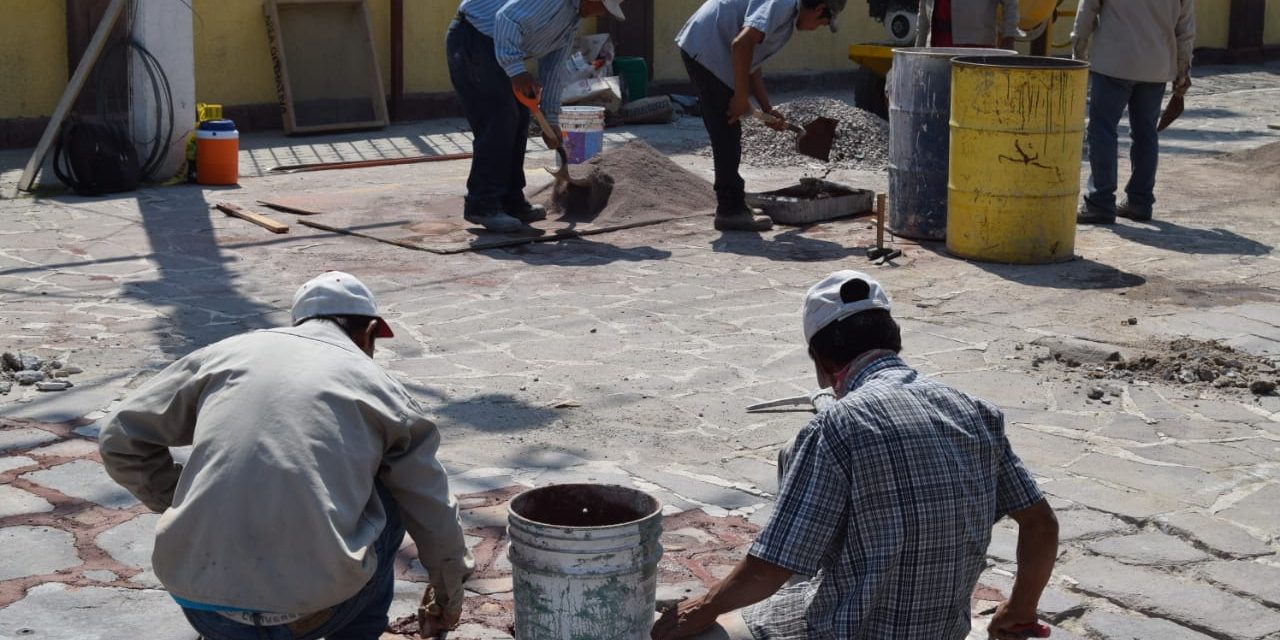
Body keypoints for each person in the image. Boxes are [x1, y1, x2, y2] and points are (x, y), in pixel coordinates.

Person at [651, 270, 1060, 640]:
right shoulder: (976, 410)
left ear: (822, 360)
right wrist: (1019, 608)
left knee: (702, 634)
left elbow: (767, 569)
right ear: (893, 340)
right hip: (941, 632)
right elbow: (1041, 525)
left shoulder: (836, 427)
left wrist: (703, 608)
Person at [99, 271, 473, 640]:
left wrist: (173, 500)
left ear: (300, 321)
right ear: (370, 331)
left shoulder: (225, 354)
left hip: (204, 609)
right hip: (319, 613)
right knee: (393, 492)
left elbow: (119, 435)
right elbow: (431, 506)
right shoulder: (380, 387)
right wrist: (447, 597)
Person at [447, 0, 626, 233]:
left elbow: (553, 70)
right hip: (472, 38)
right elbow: (506, 20)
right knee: (500, 118)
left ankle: (510, 200)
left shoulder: (571, 22)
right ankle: (482, 204)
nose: (601, 13)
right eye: (603, 6)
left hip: (495, 47)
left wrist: (550, 120)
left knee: (520, 116)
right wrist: (516, 69)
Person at [676, 0, 847, 233]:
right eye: (824, 22)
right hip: (707, 46)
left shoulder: (787, 18)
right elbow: (741, 45)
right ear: (818, 9)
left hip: (713, 45)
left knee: (727, 130)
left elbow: (750, 57)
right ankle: (730, 211)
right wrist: (740, 96)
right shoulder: (783, 5)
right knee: (726, 131)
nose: (817, 28)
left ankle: (735, 205)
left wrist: (766, 107)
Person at [1073, 0, 1195, 224]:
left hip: (1114, 62)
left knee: (1102, 130)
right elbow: (1185, 28)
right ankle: (1139, 202)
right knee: (1146, 134)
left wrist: (1079, 51)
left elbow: (1087, 9)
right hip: (1156, 67)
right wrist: (1182, 71)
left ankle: (1100, 202)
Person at [915, 0, 1021, 49]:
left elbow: (1011, 4)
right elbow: (923, 13)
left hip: (977, 51)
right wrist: (918, 50)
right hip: (936, 50)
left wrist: (1009, 37)